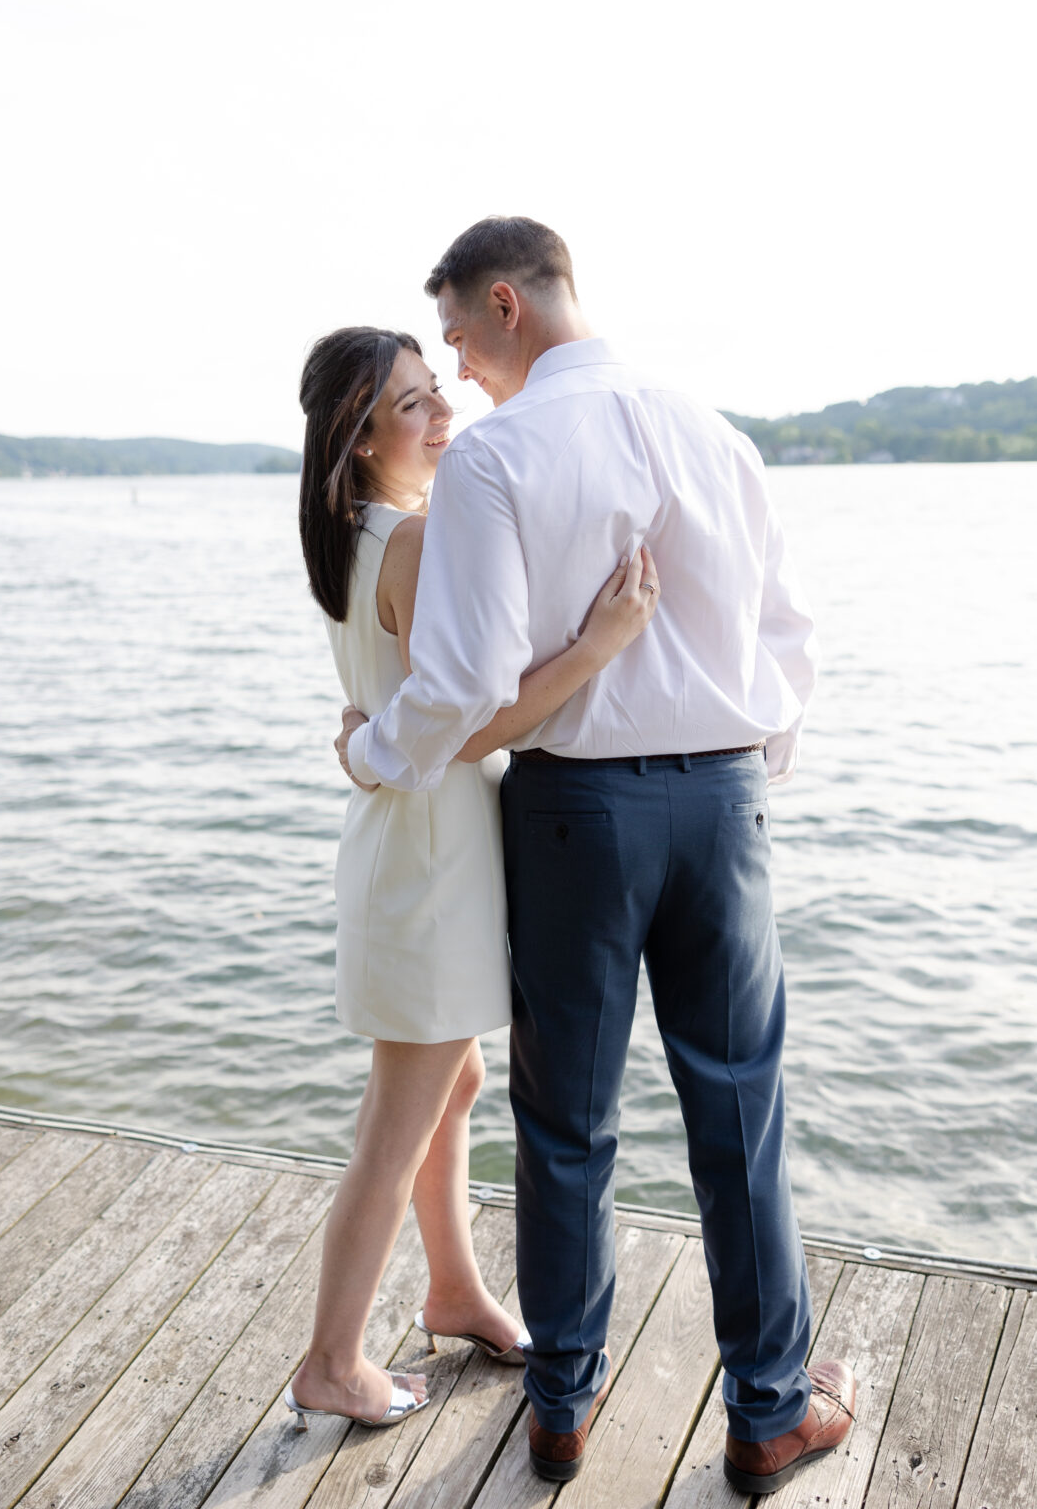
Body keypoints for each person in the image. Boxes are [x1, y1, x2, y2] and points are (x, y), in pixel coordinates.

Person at [335, 220, 857, 1493]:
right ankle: (770, 1411)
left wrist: (371, 748)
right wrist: (738, 771)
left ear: (504, 301)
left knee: (564, 1122)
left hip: (572, 812)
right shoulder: (713, 432)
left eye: (456, 333)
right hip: (723, 804)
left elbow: (460, 680)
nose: (455, 365)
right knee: (738, 1113)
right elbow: (788, 637)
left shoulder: (499, 457)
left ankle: (560, 1406)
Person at [285, 325, 658, 1432]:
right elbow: (469, 721)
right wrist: (598, 647)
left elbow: (403, 721)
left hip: (408, 843)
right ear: (358, 443)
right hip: (433, 856)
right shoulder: (410, 543)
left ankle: (452, 1289)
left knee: (452, 1088)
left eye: (434, 389)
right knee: (394, 1125)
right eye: (409, 405)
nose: (442, 412)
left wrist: (362, 743)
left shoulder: (357, 535)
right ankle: (331, 1360)